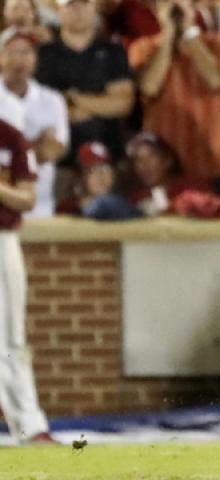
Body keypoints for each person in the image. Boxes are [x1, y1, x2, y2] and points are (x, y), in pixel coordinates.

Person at [35, 0, 134, 202]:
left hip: (107, 164)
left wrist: (72, 98)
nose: (78, 10)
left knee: (110, 220)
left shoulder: (113, 51)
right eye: (71, 5)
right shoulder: (44, 54)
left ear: (94, 7)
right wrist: (101, 103)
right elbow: (43, 110)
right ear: (59, 10)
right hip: (60, 166)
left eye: (84, 3)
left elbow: (123, 104)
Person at [129, 0, 220, 181]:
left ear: (194, 8)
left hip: (210, 158)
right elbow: (149, 87)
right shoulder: (142, 47)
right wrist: (167, 38)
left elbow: (216, 81)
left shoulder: (218, 43)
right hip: (163, 162)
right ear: (156, 11)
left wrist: (189, 33)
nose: (174, 10)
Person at [0, 118, 55, 445]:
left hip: (1, 239)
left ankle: (30, 427)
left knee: (10, 338)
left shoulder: (9, 137)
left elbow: (27, 198)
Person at [0, 28, 69, 219]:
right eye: (12, 52)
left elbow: (51, 151)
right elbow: (41, 151)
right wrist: (33, 145)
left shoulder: (52, 100)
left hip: (40, 205)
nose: (19, 60)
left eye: (26, 52)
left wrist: (11, 153)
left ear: (35, 59)